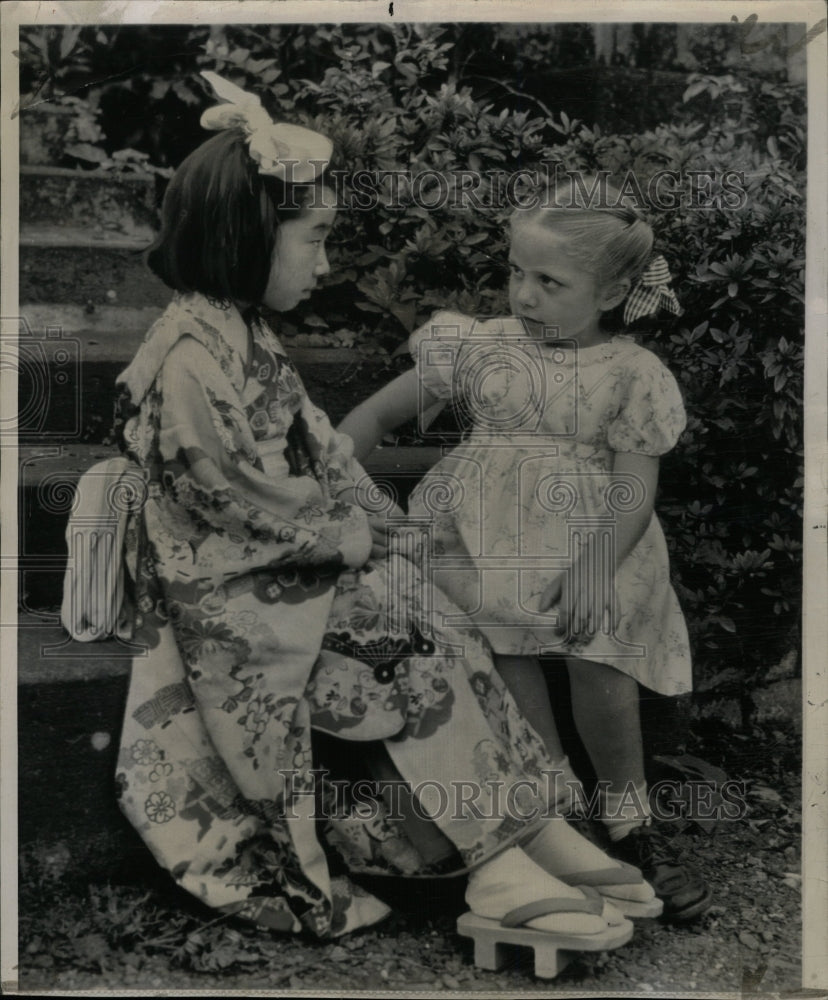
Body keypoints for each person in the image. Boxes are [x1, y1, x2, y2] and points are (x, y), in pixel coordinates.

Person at [111, 73, 660, 954]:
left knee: (430, 609)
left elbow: (325, 453)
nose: (325, 264)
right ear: (248, 234)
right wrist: (360, 539)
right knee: (395, 630)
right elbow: (238, 503)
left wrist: (387, 528)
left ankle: (527, 829)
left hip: (284, 563)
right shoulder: (186, 355)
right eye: (316, 239)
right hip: (227, 592)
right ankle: (493, 858)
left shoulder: (242, 334)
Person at [338, 173, 712, 922]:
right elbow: (374, 417)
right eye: (516, 273)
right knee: (503, 649)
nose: (525, 295)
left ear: (610, 294)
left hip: (592, 543)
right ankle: (554, 819)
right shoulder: (483, 347)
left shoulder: (633, 374)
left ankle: (629, 820)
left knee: (593, 649)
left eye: (550, 281)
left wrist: (597, 565)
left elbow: (636, 488)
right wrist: (339, 468)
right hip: (485, 543)